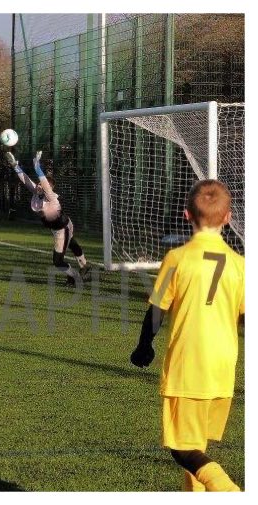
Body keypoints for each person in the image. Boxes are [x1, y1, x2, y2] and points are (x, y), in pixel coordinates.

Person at [130, 179, 244, 492]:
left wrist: (144, 346)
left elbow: (157, 309)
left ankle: (228, 491)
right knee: (196, 444)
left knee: (182, 448)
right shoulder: (240, 265)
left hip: (189, 366)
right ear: (228, 218)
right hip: (222, 370)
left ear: (186, 215)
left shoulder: (177, 259)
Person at [6, 150, 90, 285]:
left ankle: (75, 277)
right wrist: (15, 166)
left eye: (43, 184)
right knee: (71, 243)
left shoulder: (50, 196)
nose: (39, 185)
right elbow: (26, 180)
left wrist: (37, 167)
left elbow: (44, 182)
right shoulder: (36, 192)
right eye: (39, 184)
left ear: (49, 188)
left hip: (62, 228)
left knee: (57, 261)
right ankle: (84, 267)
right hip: (58, 228)